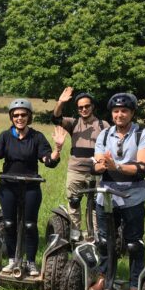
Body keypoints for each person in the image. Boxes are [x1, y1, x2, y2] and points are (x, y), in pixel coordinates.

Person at [0, 99, 67, 276]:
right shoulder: (5, 136)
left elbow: (48, 161)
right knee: (9, 223)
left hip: (30, 187)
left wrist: (57, 149)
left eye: (23, 115)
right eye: (16, 115)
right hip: (8, 185)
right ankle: (12, 259)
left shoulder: (37, 137)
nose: (19, 118)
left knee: (30, 225)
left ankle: (30, 262)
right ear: (11, 117)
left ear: (29, 116)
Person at [89, 93, 145, 290]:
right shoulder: (104, 134)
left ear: (132, 113)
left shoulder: (143, 135)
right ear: (112, 113)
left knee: (133, 244)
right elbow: (98, 165)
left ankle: (135, 285)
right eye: (116, 111)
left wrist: (116, 166)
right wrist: (101, 165)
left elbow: (143, 167)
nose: (120, 115)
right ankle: (103, 277)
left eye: (124, 111)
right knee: (104, 240)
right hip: (106, 196)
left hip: (132, 196)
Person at [52, 87, 110, 241]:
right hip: (76, 170)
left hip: (97, 172)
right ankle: (75, 234)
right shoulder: (73, 122)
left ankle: (95, 234)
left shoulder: (104, 125)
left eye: (87, 106)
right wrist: (61, 103)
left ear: (92, 107)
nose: (84, 109)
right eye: (80, 107)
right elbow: (56, 118)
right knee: (74, 202)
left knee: (97, 205)